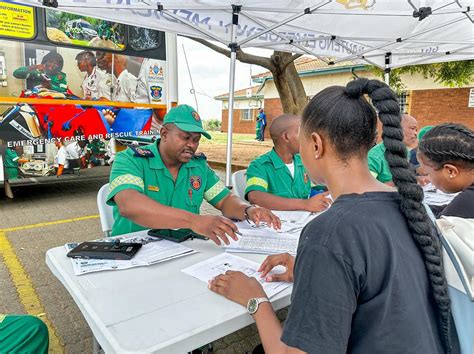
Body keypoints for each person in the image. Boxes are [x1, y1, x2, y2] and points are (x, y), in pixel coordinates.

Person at [208, 79, 455, 354]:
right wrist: (313, 269)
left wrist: (255, 299)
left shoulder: (330, 233)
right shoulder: (413, 208)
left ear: (315, 144)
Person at [107, 104, 280, 244]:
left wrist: (248, 210)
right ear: (164, 134)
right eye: (185, 137)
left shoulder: (198, 167)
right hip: (134, 251)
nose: (192, 144)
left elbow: (225, 200)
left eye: (196, 139)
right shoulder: (130, 160)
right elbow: (129, 205)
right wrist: (194, 221)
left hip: (183, 248)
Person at [245, 114, 331, 212]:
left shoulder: (303, 162)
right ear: (286, 137)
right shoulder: (259, 166)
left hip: (303, 221)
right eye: (302, 133)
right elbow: (255, 197)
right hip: (277, 224)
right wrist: (304, 204)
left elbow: (315, 186)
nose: (308, 138)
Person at [418, 123, 474, 218]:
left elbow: (436, 227)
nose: (428, 180)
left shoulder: (469, 199)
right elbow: (448, 208)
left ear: (450, 171)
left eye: (428, 173)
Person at [367, 114, 418, 185]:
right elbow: (367, 187)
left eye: (416, 130)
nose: (416, 133)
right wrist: (399, 183)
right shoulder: (375, 157)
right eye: (412, 128)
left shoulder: (405, 151)